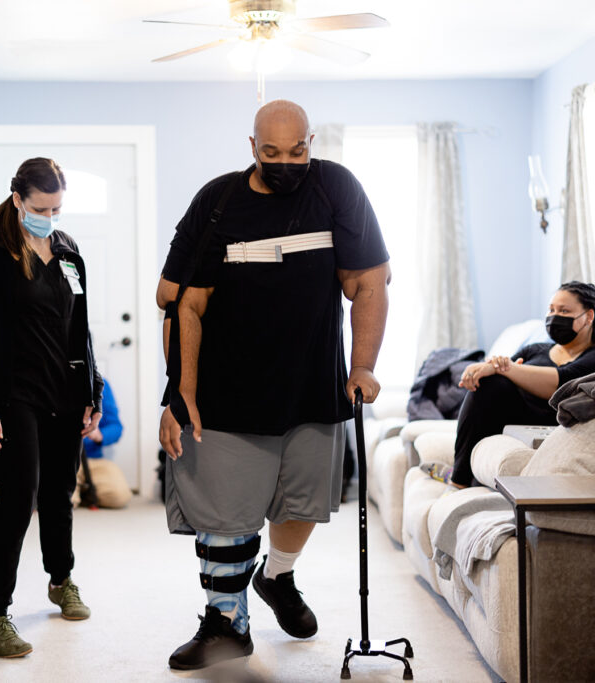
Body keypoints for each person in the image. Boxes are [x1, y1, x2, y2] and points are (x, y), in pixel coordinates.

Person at [156, 99, 391, 671]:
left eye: (298, 150)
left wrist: (362, 367)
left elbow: (368, 281)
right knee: (224, 514)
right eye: (271, 152)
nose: (286, 162)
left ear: (311, 141)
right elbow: (182, 301)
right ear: (252, 147)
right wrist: (178, 393)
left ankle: (278, 577)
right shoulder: (220, 201)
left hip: (312, 383)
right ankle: (225, 623)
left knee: (304, 501)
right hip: (226, 389)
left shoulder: (336, 189)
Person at [0, 157, 103, 658]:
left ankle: (60, 579)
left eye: (57, 208)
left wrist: (94, 388)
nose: (49, 216)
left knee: (61, 492)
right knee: (19, 498)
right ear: (18, 198)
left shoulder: (67, 250)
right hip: (13, 392)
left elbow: (79, 326)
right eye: (41, 207)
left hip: (64, 390)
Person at [434, 281, 595, 488]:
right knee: (491, 384)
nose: (554, 317)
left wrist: (505, 368)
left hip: (554, 422)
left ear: (589, 317)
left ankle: (458, 481)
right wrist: (494, 368)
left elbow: (563, 382)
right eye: (551, 310)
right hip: (515, 419)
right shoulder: (536, 350)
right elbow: (502, 369)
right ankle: (460, 477)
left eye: (564, 311)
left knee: (494, 380)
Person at [76, 381, 132, 509]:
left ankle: (85, 491)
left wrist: (100, 435)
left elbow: (116, 427)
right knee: (60, 501)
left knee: (119, 496)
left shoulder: (100, 384)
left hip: (94, 459)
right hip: (63, 460)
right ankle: (79, 491)